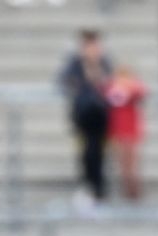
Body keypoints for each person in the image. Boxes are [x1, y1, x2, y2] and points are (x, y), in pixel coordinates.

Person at [58, 29, 112, 204]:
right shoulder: (75, 64)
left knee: (99, 153)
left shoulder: (104, 63)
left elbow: (111, 84)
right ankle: (88, 185)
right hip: (83, 116)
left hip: (101, 117)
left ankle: (98, 188)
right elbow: (64, 81)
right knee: (86, 153)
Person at [105, 65, 146, 201]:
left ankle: (133, 188)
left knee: (132, 160)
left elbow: (141, 92)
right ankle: (126, 186)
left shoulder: (134, 89)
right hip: (117, 130)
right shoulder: (112, 88)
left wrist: (131, 85)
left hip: (130, 129)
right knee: (122, 160)